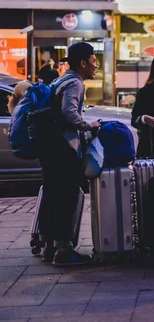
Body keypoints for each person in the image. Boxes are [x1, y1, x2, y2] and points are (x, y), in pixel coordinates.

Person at [38, 42, 101, 266]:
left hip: (49, 146)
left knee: (51, 195)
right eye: (93, 60)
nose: (96, 65)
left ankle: (47, 246)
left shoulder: (60, 80)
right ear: (83, 63)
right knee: (67, 196)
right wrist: (88, 125)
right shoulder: (75, 83)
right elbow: (69, 111)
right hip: (63, 147)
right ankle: (63, 250)